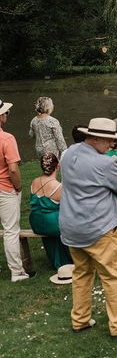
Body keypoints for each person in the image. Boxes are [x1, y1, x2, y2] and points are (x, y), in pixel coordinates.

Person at [59, 118, 117, 337]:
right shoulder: (105, 163)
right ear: (94, 139)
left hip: (72, 226)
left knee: (82, 274)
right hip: (99, 227)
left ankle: (81, 319)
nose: (111, 145)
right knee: (112, 277)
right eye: (108, 141)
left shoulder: (68, 154)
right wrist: (116, 164)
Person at [0, 99, 32, 282]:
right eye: (5, 112)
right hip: (5, 188)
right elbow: (13, 169)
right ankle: (16, 272)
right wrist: (18, 187)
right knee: (11, 230)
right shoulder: (7, 138)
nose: (6, 115)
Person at [29, 152, 73, 269]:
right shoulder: (58, 186)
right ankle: (70, 258)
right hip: (52, 224)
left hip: (36, 223)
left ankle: (56, 258)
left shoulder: (34, 182)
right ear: (57, 166)